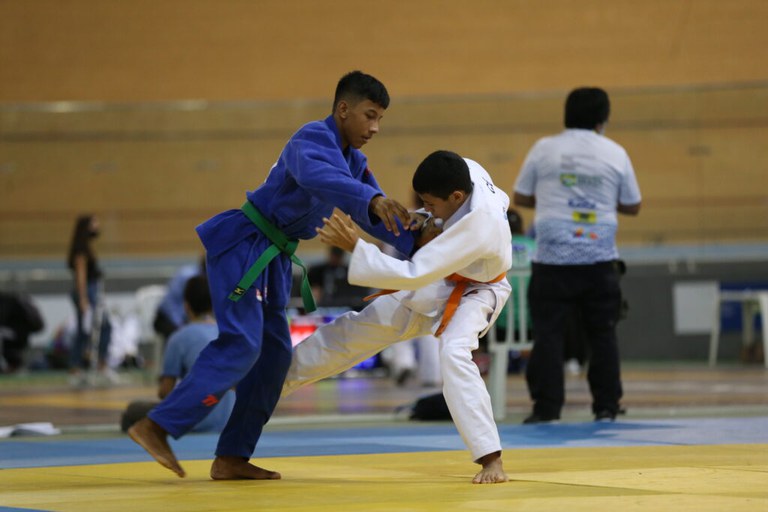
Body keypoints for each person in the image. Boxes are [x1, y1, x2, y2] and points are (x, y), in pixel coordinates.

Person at [128, 70, 416, 479]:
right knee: (243, 344)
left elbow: (375, 212)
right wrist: (372, 198)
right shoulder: (310, 139)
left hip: (276, 257)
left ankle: (232, 457)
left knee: (276, 356)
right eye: (369, 116)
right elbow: (326, 180)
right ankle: (155, 425)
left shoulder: (354, 160)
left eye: (380, 120)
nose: (374, 128)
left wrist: (423, 244)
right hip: (245, 244)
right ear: (343, 109)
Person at [283, 150, 513, 484]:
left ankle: (491, 458)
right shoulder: (467, 170)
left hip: (478, 292)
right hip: (443, 280)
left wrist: (356, 247)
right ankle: (271, 385)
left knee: (454, 351)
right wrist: (425, 217)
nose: (427, 211)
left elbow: (414, 274)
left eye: (430, 204)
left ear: (457, 197)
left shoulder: (478, 224)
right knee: (359, 328)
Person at [512, 86, 642, 424]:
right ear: (603, 119)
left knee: (548, 335)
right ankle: (607, 408)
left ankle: (546, 409)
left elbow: (522, 197)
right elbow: (633, 204)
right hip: (599, 259)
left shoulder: (544, 149)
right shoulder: (615, 152)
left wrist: (557, 198)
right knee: (603, 334)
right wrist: (597, 200)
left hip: (552, 261)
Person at [121, 275, 235, 433]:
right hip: (229, 421)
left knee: (133, 411)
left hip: (193, 422)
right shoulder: (230, 334)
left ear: (186, 306)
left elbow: (165, 393)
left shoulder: (180, 337)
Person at [66, 214, 115, 387]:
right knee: (98, 327)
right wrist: (83, 299)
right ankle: (90, 366)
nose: (97, 225)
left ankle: (84, 366)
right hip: (87, 292)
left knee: (88, 330)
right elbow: (81, 276)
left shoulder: (86, 247)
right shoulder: (81, 249)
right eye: (94, 223)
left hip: (91, 291)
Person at [153, 257, 205, 342]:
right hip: (167, 318)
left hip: (191, 319)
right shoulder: (186, 276)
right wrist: (181, 327)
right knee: (182, 339)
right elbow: (170, 305)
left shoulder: (212, 278)